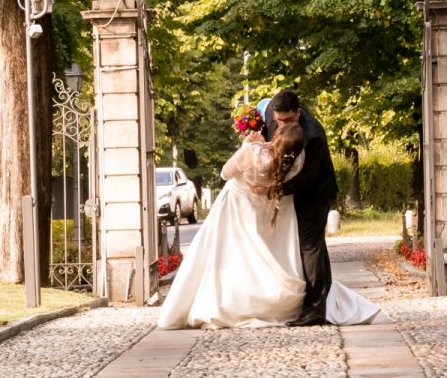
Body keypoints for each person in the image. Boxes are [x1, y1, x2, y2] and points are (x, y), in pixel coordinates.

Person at [157, 123, 379, 329]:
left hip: (238, 206)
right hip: (272, 211)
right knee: (268, 256)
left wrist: (248, 145)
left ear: (278, 136)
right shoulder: (297, 159)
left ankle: (231, 301)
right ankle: (272, 300)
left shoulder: (252, 153)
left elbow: (225, 173)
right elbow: (281, 174)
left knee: (231, 256)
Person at [262, 90, 338, 327]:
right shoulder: (269, 114)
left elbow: (307, 177)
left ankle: (315, 311)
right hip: (292, 191)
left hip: (316, 193)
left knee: (309, 246)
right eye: (278, 120)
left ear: (298, 112)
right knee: (314, 247)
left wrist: (273, 190)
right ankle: (325, 296)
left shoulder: (313, 134)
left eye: (287, 120)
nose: (280, 125)